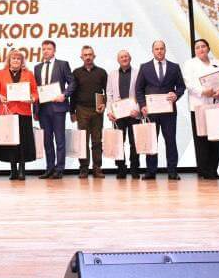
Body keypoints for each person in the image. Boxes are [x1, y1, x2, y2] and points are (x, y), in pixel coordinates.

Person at [135, 40, 186, 180]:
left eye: (161, 48)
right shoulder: (144, 67)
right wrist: (142, 105)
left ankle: (172, 171)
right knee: (151, 141)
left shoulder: (174, 67)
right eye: (156, 49)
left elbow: (181, 86)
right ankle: (151, 171)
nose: (159, 51)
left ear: (165, 50)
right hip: (150, 112)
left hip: (169, 112)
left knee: (170, 141)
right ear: (152, 51)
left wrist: (176, 95)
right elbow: (138, 89)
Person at [0, 49, 38, 180]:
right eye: (13, 58)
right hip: (7, 112)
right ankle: (13, 170)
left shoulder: (29, 74)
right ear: (9, 60)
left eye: (18, 59)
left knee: (23, 142)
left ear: (22, 61)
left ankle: (22, 169)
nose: (16, 60)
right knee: (10, 142)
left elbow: (35, 92)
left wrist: (32, 98)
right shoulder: (0, 74)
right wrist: (0, 97)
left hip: (24, 111)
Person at [183, 38, 219, 179]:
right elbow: (189, 83)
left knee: (215, 138)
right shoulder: (190, 64)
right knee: (201, 138)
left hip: (215, 104)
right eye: (197, 47)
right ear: (195, 51)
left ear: (208, 48)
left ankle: (214, 170)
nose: (200, 49)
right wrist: (202, 91)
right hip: (199, 105)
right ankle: (204, 170)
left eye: (203, 46)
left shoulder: (216, 62)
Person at [33, 40, 74, 179]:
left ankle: (59, 168)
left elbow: (72, 82)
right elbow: (35, 89)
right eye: (44, 49)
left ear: (54, 51)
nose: (46, 51)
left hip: (58, 107)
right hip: (43, 108)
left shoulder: (62, 64)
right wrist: (35, 109)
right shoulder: (37, 67)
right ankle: (49, 168)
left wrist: (64, 95)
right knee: (47, 140)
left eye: (49, 49)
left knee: (60, 139)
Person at [69, 46, 108, 178]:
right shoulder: (76, 72)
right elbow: (73, 93)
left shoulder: (102, 72)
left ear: (94, 56)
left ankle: (97, 168)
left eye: (90, 54)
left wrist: (104, 103)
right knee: (82, 140)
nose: (88, 57)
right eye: (85, 55)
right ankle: (84, 168)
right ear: (81, 57)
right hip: (81, 109)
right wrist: (72, 111)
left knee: (97, 140)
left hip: (97, 110)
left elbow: (107, 91)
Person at [106, 50, 141, 179]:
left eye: (126, 56)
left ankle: (134, 168)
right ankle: (121, 168)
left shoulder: (138, 73)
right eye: (121, 57)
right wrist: (110, 111)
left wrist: (138, 109)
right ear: (118, 60)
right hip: (118, 114)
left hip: (133, 113)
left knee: (134, 142)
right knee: (118, 142)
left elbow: (140, 92)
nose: (124, 58)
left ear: (130, 58)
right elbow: (109, 94)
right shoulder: (112, 74)